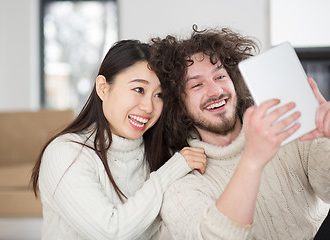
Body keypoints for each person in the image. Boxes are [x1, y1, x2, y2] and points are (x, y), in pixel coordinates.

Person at [149, 27, 330, 239]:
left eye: (220, 76)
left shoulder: (289, 130)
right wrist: (253, 159)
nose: (215, 91)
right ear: (179, 106)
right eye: (197, 84)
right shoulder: (181, 182)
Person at [31, 39, 207, 240]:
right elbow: (110, 232)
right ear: (103, 88)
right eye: (139, 90)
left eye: (159, 95)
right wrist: (173, 169)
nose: (149, 107)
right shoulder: (65, 153)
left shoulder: (159, 154)